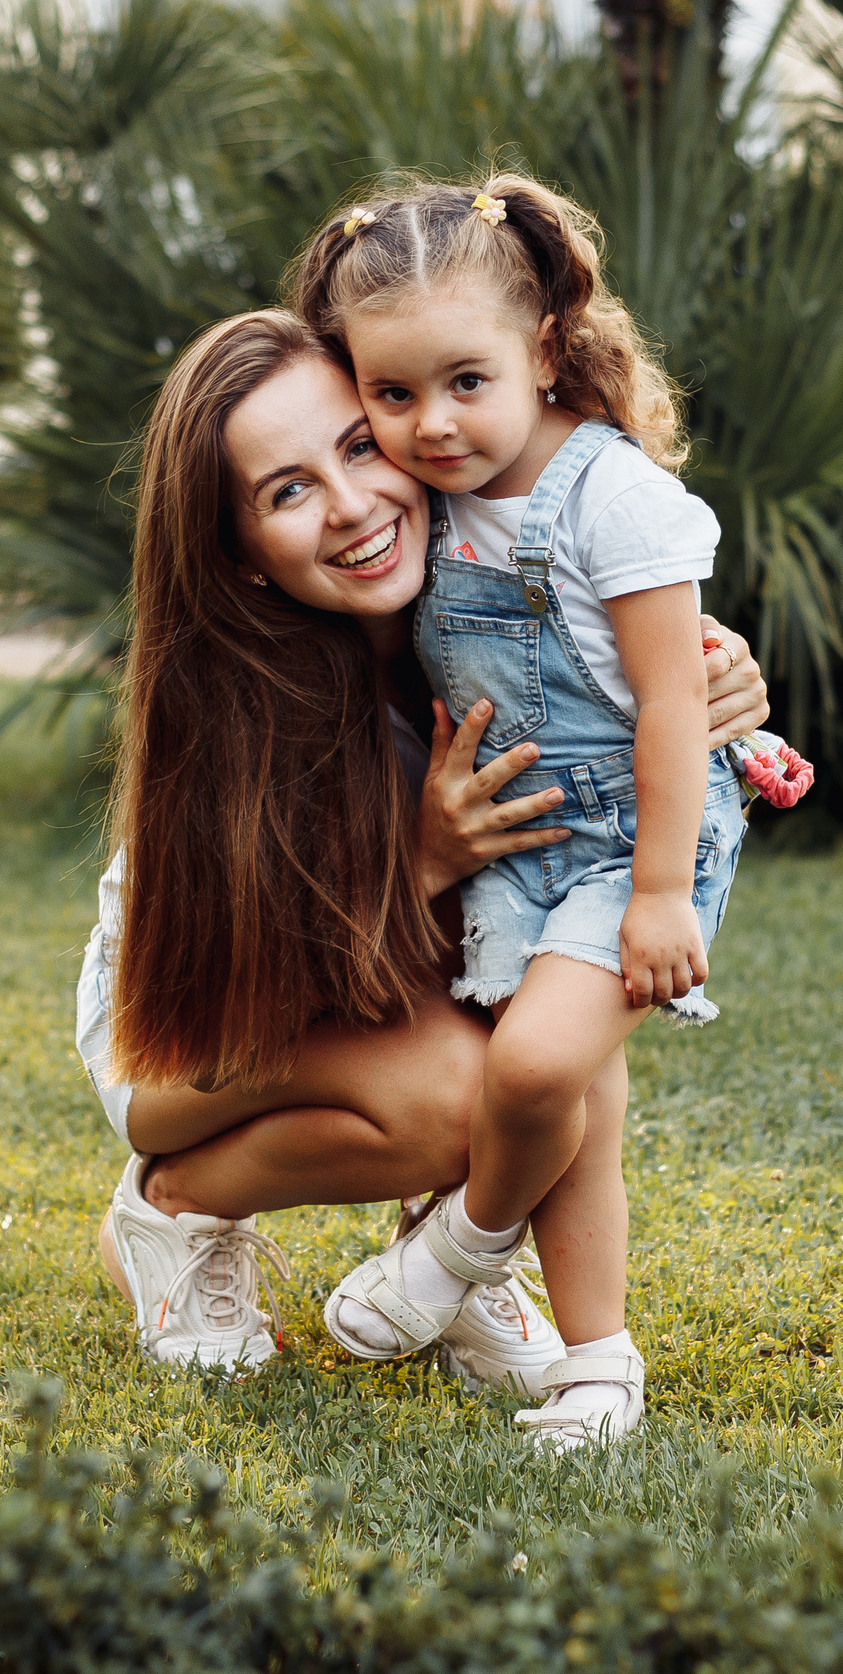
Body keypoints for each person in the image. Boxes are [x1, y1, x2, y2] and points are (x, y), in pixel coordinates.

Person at [77, 306, 772, 1391]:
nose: (352, 506)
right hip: (194, 1033)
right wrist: (426, 861)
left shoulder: (482, 601)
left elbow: (633, 709)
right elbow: (266, 977)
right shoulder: (241, 709)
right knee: (466, 1100)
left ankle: (445, 1264)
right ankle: (170, 1205)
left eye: (358, 445)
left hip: (369, 986)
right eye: (287, 490)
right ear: (241, 555)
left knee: (539, 1046)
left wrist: (704, 685)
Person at [289, 173, 754, 1448]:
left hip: (632, 836)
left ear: (543, 349)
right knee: (579, 1103)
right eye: (393, 395)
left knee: (539, 1062)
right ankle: (598, 1365)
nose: (431, 424)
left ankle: (458, 1253)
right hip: (521, 841)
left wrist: (660, 890)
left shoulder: (616, 497)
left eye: (465, 382)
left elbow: (672, 704)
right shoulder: (428, 498)